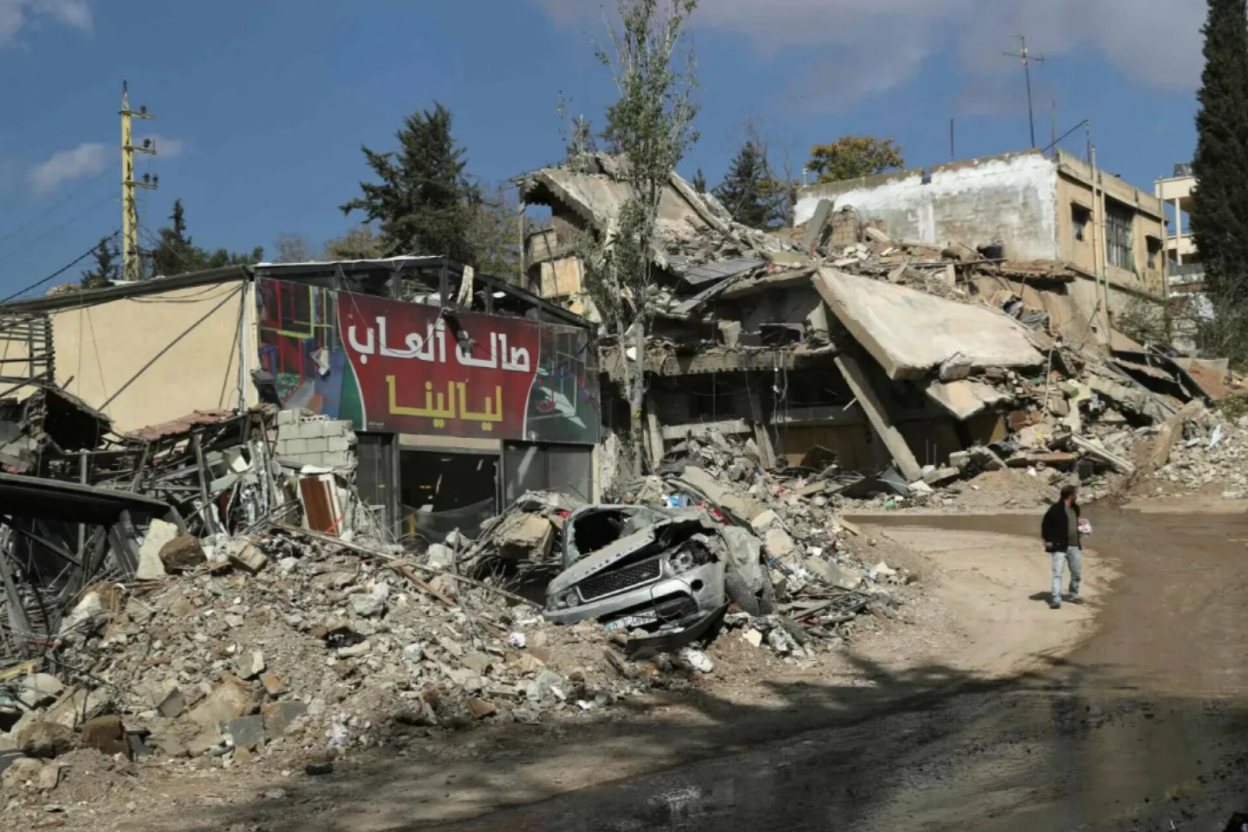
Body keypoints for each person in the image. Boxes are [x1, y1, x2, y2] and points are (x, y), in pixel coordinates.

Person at [1041, 484, 1085, 610]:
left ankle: (1073, 595)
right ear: (1070, 495)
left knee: (1076, 573)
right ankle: (1056, 599)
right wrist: (1048, 540)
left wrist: (1082, 526)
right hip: (1059, 546)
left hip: (1075, 545)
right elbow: (1045, 524)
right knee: (1057, 573)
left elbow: (1075, 522)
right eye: (1075, 494)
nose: (1077, 496)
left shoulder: (1076, 508)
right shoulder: (1056, 508)